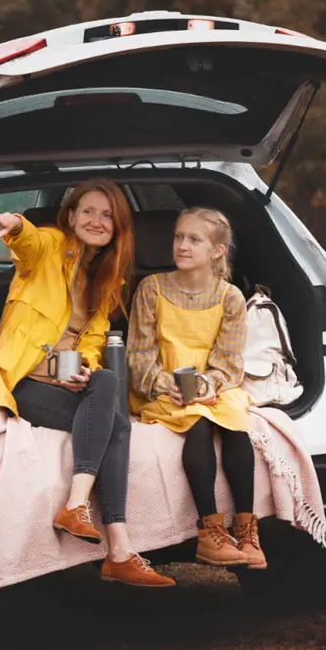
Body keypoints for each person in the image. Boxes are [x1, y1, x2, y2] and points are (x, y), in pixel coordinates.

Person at [0, 178, 175, 588]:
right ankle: (104, 533)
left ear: (117, 227)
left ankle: (108, 539)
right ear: (71, 216)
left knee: (105, 389)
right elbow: (28, 243)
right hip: (23, 379)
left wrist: (84, 367)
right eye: (88, 211)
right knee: (115, 421)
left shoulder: (108, 278)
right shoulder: (48, 247)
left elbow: (95, 340)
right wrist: (14, 225)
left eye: (107, 215)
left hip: (63, 381)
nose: (97, 221)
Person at [127, 207, 267, 569]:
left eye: (194, 239)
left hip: (211, 386)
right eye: (178, 237)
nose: (182, 246)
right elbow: (139, 356)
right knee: (199, 424)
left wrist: (209, 384)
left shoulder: (230, 297)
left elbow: (230, 361)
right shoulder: (151, 289)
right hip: (163, 389)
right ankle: (209, 532)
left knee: (236, 425)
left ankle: (247, 532)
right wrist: (165, 385)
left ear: (217, 251)